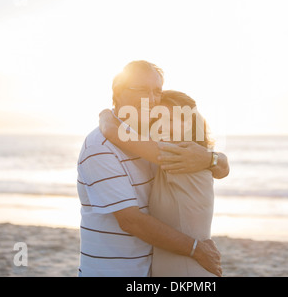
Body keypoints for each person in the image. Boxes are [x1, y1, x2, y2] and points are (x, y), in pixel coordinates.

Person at [77, 60, 228, 277]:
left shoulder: (158, 143)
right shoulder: (100, 147)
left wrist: (214, 159)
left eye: (156, 91)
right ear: (118, 93)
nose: (150, 99)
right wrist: (196, 248)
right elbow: (131, 221)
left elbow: (221, 167)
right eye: (140, 89)